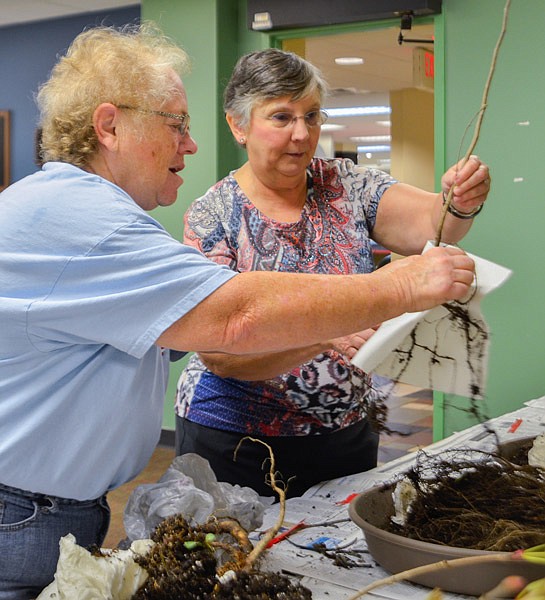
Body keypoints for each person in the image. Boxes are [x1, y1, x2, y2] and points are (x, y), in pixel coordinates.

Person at [0, 24, 478, 598]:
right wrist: (399, 287)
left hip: (52, 506)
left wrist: (331, 325)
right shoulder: (88, 223)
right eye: (175, 124)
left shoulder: (89, 213)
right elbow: (232, 320)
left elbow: (190, 329)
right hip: (30, 511)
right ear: (109, 126)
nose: (190, 143)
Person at [174, 48, 491, 498]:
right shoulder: (214, 215)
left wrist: (461, 199)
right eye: (281, 118)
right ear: (238, 125)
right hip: (235, 438)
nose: (302, 134)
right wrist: (323, 333)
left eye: (312, 115)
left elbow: (434, 223)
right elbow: (219, 352)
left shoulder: (346, 184)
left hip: (344, 428)